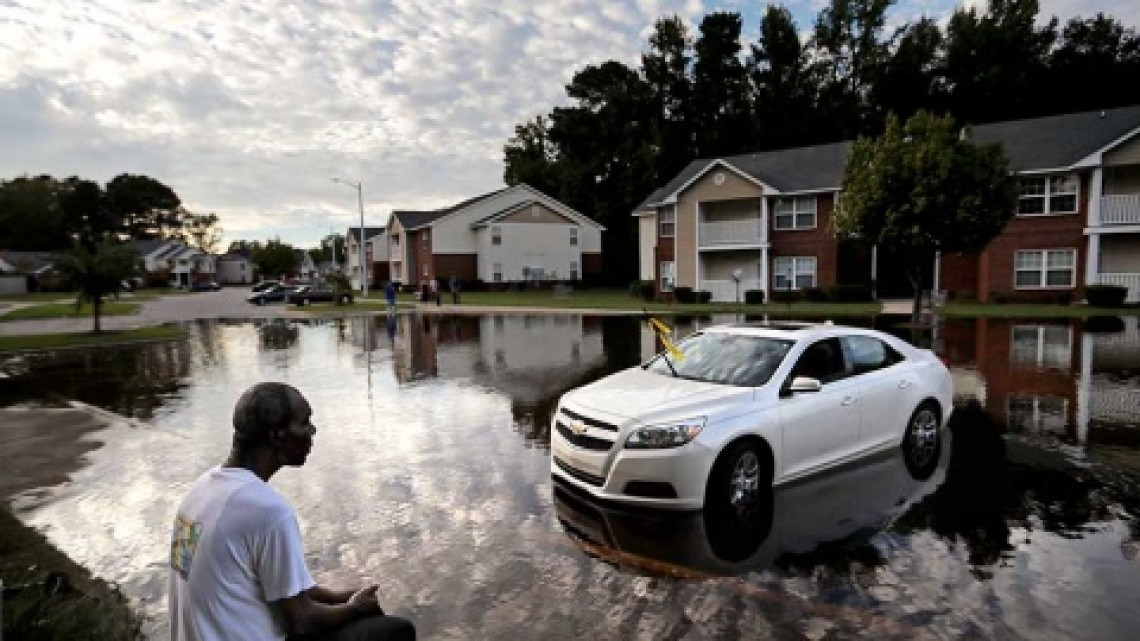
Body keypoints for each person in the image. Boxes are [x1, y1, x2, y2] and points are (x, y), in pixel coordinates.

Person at [168, 383, 415, 641]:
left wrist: (340, 598)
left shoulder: (199, 492)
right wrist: (355, 609)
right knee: (394, 631)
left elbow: (288, 590)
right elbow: (302, 621)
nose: (312, 431)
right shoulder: (268, 511)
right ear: (277, 435)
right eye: (304, 422)